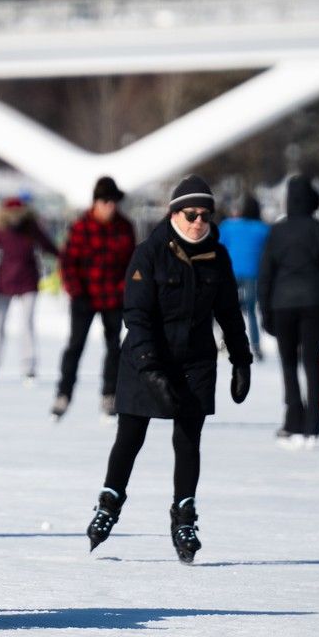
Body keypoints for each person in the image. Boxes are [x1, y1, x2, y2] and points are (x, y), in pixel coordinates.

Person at [85, 175, 253, 564]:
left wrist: (241, 358)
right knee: (130, 435)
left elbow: (229, 312)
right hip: (147, 358)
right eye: (191, 214)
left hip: (195, 360)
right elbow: (137, 317)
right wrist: (150, 370)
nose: (199, 222)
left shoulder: (217, 255)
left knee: (189, 439)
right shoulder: (150, 253)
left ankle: (184, 515)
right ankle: (109, 502)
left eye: (206, 215)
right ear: (175, 214)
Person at [258, 174, 319, 449]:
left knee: (288, 362)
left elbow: (266, 273)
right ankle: (312, 421)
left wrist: (264, 310)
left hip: (282, 303)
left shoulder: (277, 231)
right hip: (315, 302)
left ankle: (292, 415)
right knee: (311, 361)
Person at [53, 176, 136, 419]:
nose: (111, 207)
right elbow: (68, 262)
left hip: (113, 296)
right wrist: (76, 291)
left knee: (114, 347)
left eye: (114, 202)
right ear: (96, 203)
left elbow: (132, 263)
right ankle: (64, 393)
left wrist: (124, 289)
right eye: (106, 202)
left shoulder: (124, 227)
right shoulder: (82, 226)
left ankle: (109, 394)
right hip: (85, 297)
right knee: (75, 346)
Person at [0, 196, 58, 382]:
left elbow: (48, 246)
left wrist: (66, 256)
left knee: (27, 324)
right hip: (4, 282)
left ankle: (29, 365)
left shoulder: (31, 228)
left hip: (28, 281)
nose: (15, 218)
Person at [219, 193, 270, 361]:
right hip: (253, 273)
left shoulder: (228, 226)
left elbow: (219, 244)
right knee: (252, 311)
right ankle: (256, 346)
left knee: (229, 309)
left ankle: (225, 342)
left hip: (230, 272)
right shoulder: (263, 229)